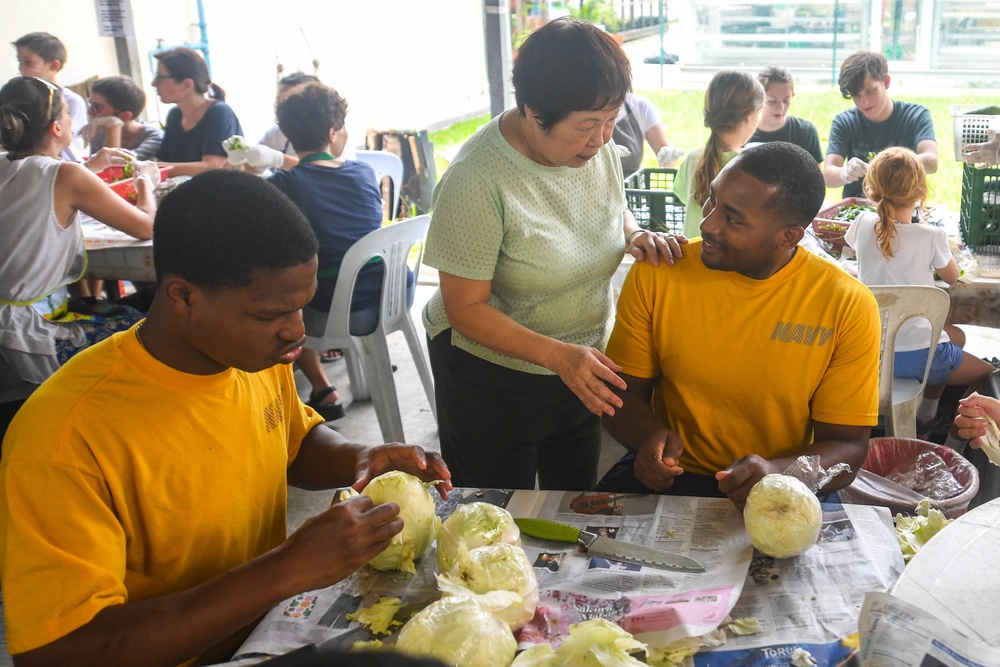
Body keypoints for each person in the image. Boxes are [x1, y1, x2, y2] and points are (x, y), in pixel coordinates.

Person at [0, 169, 452, 667]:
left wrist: (360, 457)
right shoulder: (64, 437)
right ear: (183, 296)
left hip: (263, 633)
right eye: (270, 315)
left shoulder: (248, 358)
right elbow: (56, 653)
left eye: (302, 307)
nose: (296, 331)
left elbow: (292, 443)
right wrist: (286, 570)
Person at [422, 17, 685, 491]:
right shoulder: (477, 179)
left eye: (611, 121)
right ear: (532, 109)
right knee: (497, 514)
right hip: (493, 373)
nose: (603, 139)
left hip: (582, 361)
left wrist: (633, 232)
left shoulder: (594, 147)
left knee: (572, 500)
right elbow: (464, 309)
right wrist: (558, 357)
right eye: (588, 126)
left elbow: (612, 206)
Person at [597, 142, 880, 510]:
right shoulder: (660, 274)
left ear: (788, 237)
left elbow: (849, 447)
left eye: (732, 218)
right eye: (712, 200)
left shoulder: (846, 304)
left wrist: (779, 473)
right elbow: (622, 397)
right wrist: (648, 438)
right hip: (675, 477)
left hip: (783, 485)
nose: (708, 223)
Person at [264, 81, 414, 421]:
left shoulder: (281, 185)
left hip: (335, 308)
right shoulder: (363, 173)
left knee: (280, 298)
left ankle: (316, 390)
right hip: (392, 294)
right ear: (333, 133)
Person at [0, 76, 157, 386]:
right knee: (154, 331)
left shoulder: (8, 164)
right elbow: (147, 225)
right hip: (31, 336)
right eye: (68, 112)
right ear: (56, 127)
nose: (74, 119)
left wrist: (89, 170)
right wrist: (146, 183)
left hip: (13, 325)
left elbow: (34, 189)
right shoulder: (66, 174)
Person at [844, 147, 997, 443]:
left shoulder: (861, 223)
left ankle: (926, 413)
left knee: (954, 336)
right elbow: (953, 277)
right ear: (922, 192)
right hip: (922, 356)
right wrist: (924, 226)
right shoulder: (932, 236)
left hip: (873, 352)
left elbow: (857, 247)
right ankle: (942, 427)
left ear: (871, 189)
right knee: (989, 373)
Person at [823, 50, 938, 199]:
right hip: (858, 208)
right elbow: (828, 175)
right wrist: (845, 173)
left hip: (905, 206)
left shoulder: (916, 116)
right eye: (856, 95)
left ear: (886, 82)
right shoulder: (845, 122)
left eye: (870, 91)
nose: (864, 101)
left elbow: (932, 161)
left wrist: (880, 166)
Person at [674, 70, 764, 238]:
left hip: (691, 257)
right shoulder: (750, 167)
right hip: (726, 261)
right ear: (749, 116)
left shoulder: (693, 158)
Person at [153, 46, 246, 176]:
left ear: (187, 84)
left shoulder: (219, 113)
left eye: (160, 78)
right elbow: (163, 161)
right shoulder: (175, 115)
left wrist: (152, 168)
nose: (154, 84)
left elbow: (214, 166)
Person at [12, 32, 88, 162]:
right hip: (32, 165)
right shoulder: (19, 99)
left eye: (28, 63)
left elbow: (60, 140)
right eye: (20, 62)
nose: (21, 69)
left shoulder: (72, 102)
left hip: (65, 167)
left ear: (53, 66)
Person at [749, 65, 822, 163]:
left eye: (786, 100)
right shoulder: (744, 132)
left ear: (793, 96)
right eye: (772, 101)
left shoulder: (805, 131)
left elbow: (817, 175)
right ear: (758, 97)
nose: (781, 107)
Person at [83, 75, 163, 160]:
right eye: (90, 104)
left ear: (125, 116)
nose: (89, 112)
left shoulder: (154, 137)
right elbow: (95, 169)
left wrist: (113, 124)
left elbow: (114, 166)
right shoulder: (100, 135)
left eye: (96, 108)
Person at [612, 91, 683, 177]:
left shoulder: (640, 107)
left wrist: (669, 157)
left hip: (631, 187)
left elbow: (667, 160)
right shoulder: (592, 107)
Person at [260, 71, 320, 157]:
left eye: (287, 100)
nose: (280, 107)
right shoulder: (278, 132)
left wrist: (280, 160)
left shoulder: (329, 134)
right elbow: (251, 166)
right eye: (279, 101)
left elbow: (322, 166)